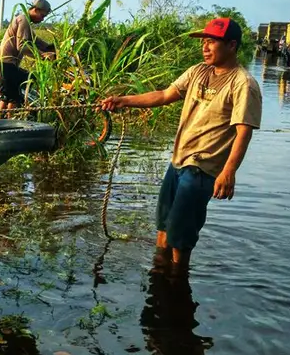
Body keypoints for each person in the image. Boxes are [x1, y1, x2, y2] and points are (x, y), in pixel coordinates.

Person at [100, 18, 262, 276]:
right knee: (163, 229)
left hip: (202, 169)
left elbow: (244, 131)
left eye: (212, 42)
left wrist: (228, 172)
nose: (205, 47)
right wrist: (124, 100)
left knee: (181, 238)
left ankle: (177, 286)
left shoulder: (242, 84)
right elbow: (165, 95)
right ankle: (158, 277)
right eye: (204, 42)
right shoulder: (198, 71)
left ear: (232, 45)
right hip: (177, 162)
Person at [0, 0, 55, 118]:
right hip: (5, 63)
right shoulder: (23, 20)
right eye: (42, 15)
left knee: (8, 96)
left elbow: (35, 41)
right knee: (17, 94)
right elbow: (22, 46)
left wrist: (52, 48)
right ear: (35, 10)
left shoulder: (25, 22)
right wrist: (42, 55)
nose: (42, 19)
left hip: (8, 64)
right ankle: (8, 123)